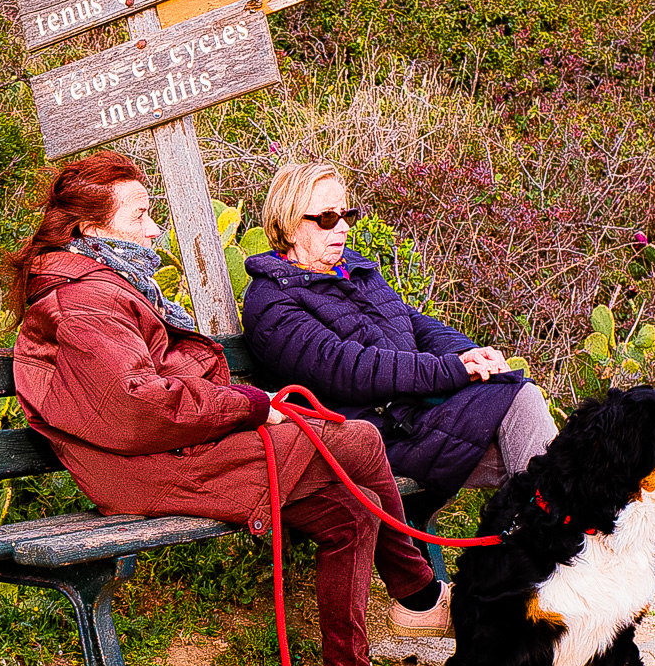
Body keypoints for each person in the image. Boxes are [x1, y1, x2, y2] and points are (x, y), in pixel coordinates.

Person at [4, 151, 448, 666]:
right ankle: (422, 596)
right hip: (141, 469)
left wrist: (246, 404)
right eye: (139, 217)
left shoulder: (107, 284)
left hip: (170, 450)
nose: (155, 229)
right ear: (88, 228)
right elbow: (137, 407)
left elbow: (159, 384)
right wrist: (249, 406)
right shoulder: (86, 298)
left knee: (347, 514)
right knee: (359, 440)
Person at [240, 162, 560, 562]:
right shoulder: (271, 303)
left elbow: (413, 322)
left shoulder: (352, 269)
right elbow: (350, 370)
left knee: (520, 412)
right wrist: (452, 371)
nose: (341, 227)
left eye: (346, 215)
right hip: (370, 435)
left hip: (411, 418)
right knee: (522, 412)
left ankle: (549, 553)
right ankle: (559, 552)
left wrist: (467, 354)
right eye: (326, 218)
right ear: (288, 226)